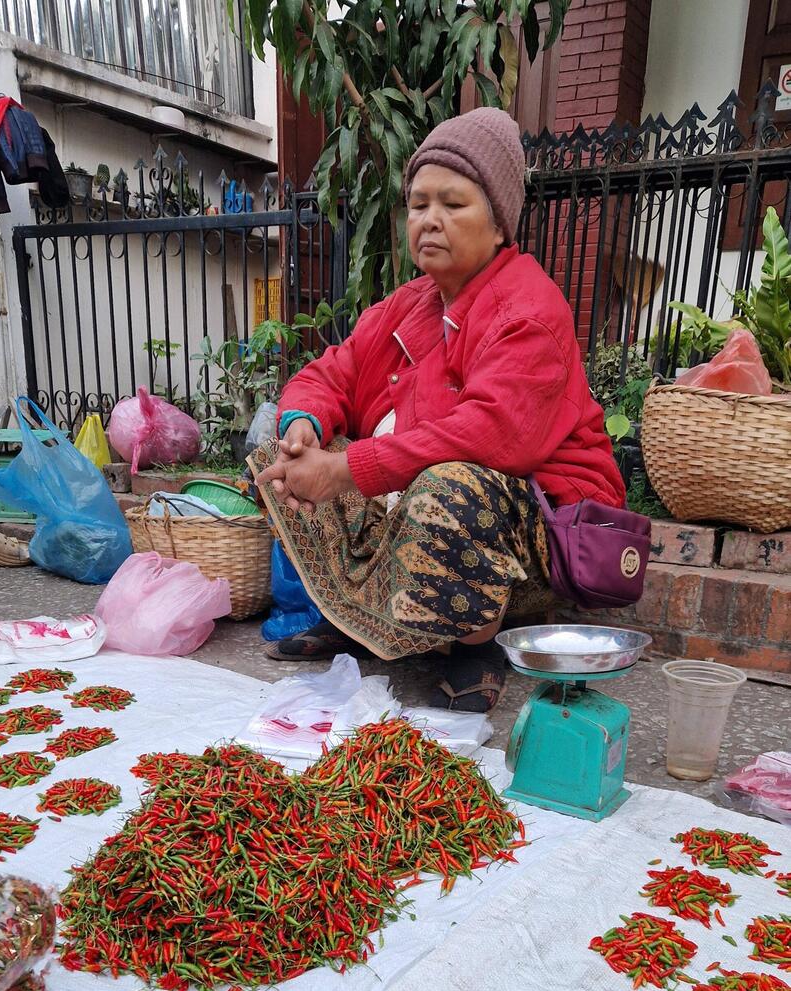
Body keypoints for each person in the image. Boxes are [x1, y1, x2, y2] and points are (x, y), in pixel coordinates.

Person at [253, 107, 624, 712]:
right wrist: (302, 429)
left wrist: (345, 470)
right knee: (283, 455)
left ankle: (474, 649)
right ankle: (358, 625)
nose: (430, 220)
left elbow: (492, 436)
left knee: (451, 485)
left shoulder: (529, 310)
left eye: (453, 205)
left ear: (501, 225)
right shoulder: (409, 304)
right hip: (419, 493)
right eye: (419, 204)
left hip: (541, 530)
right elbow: (331, 372)